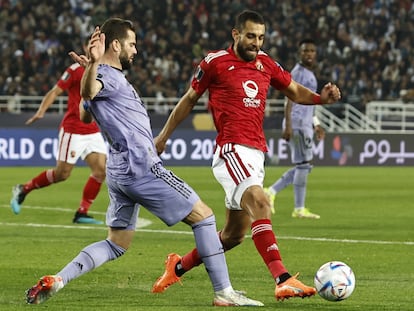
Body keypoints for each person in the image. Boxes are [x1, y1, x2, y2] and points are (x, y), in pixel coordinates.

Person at [25, 18, 263, 307]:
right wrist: (91, 67)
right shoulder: (106, 75)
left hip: (119, 171)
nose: (135, 50)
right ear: (116, 45)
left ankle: (60, 279)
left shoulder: (106, 75)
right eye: (132, 44)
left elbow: (86, 111)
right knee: (205, 217)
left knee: (116, 244)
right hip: (142, 168)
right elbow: (89, 93)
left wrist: (91, 70)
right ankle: (224, 292)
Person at [151, 10, 341, 301]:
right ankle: (282, 278)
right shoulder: (214, 63)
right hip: (231, 149)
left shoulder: (266, 64)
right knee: (262, 201)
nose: (256, 43)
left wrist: (320, 99)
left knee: (232, 236)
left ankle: (177, 266)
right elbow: (189, 99)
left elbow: (293, 90)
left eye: (261, 37)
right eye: (251, 36)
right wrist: (163, 137)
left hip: (256, 152)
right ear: (236, 34)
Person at [10, 38, 106, 225]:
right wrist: (41, 112)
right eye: (91, 45)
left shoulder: (104, 71)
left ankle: (82, 212)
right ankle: (23, 189)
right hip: (73, 130)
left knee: (101, 171)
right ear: (86, 48)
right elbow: (55, 91)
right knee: (62, 174)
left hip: (92, 129)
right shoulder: (74, 70)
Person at [264, 39, 324, 219]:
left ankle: (272, 192)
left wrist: (316, 123)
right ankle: (298, 208)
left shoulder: (309, 74)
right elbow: (289, 98)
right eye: (306, 51)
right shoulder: (298, 72)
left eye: (312, 51)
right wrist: (288, 124)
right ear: (300, 54)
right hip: (297, 123)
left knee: (304, 166)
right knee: (304, 165)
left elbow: (309, 103)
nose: (309, 54)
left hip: (304, 124)